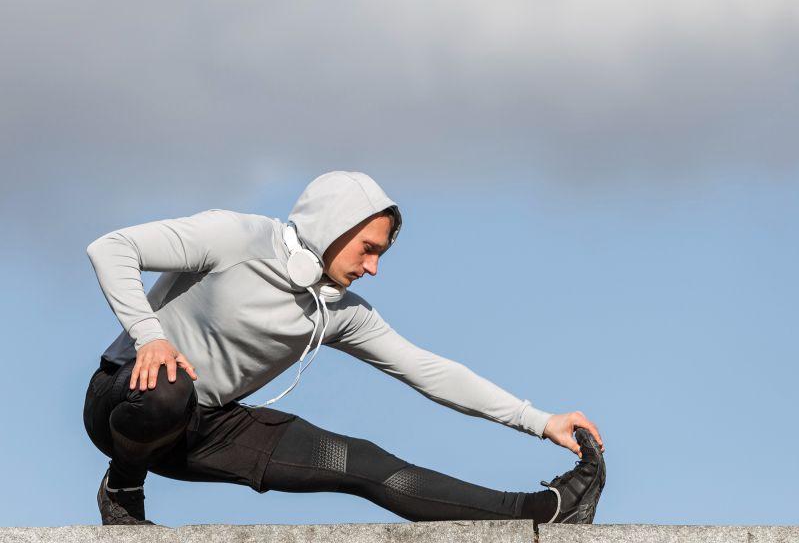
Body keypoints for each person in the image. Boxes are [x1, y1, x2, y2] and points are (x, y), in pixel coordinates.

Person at [83, 171, 606, 526]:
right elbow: (111, 248)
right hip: (122, 399)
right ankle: (122, 490)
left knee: (368, 465)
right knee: (168, 387)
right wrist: (151, 338)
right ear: (334, 226)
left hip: (207, 427)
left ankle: (542, 512)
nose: (372, 268)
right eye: (368, 249)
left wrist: (541, 421)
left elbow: (428, 371)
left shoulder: (339, 311)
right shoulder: (234, 237)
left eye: (381, 256)